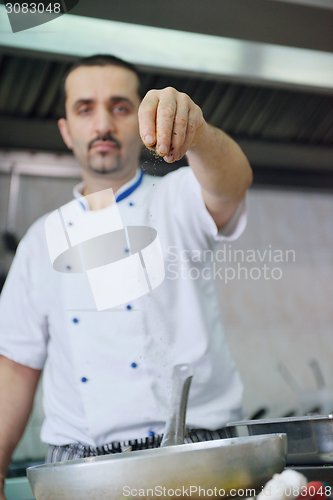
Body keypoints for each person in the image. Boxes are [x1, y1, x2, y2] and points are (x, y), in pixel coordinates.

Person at [0, 54, 252, 495]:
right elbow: (15, 371)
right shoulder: (40, 242)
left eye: (119, 108)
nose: (102, 124)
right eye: (85, 109)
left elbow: (232, 183)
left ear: (141, 119)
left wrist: (199, 133)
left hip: (197, 452)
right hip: (81, 467)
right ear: (66, 130)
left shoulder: (179, 197)